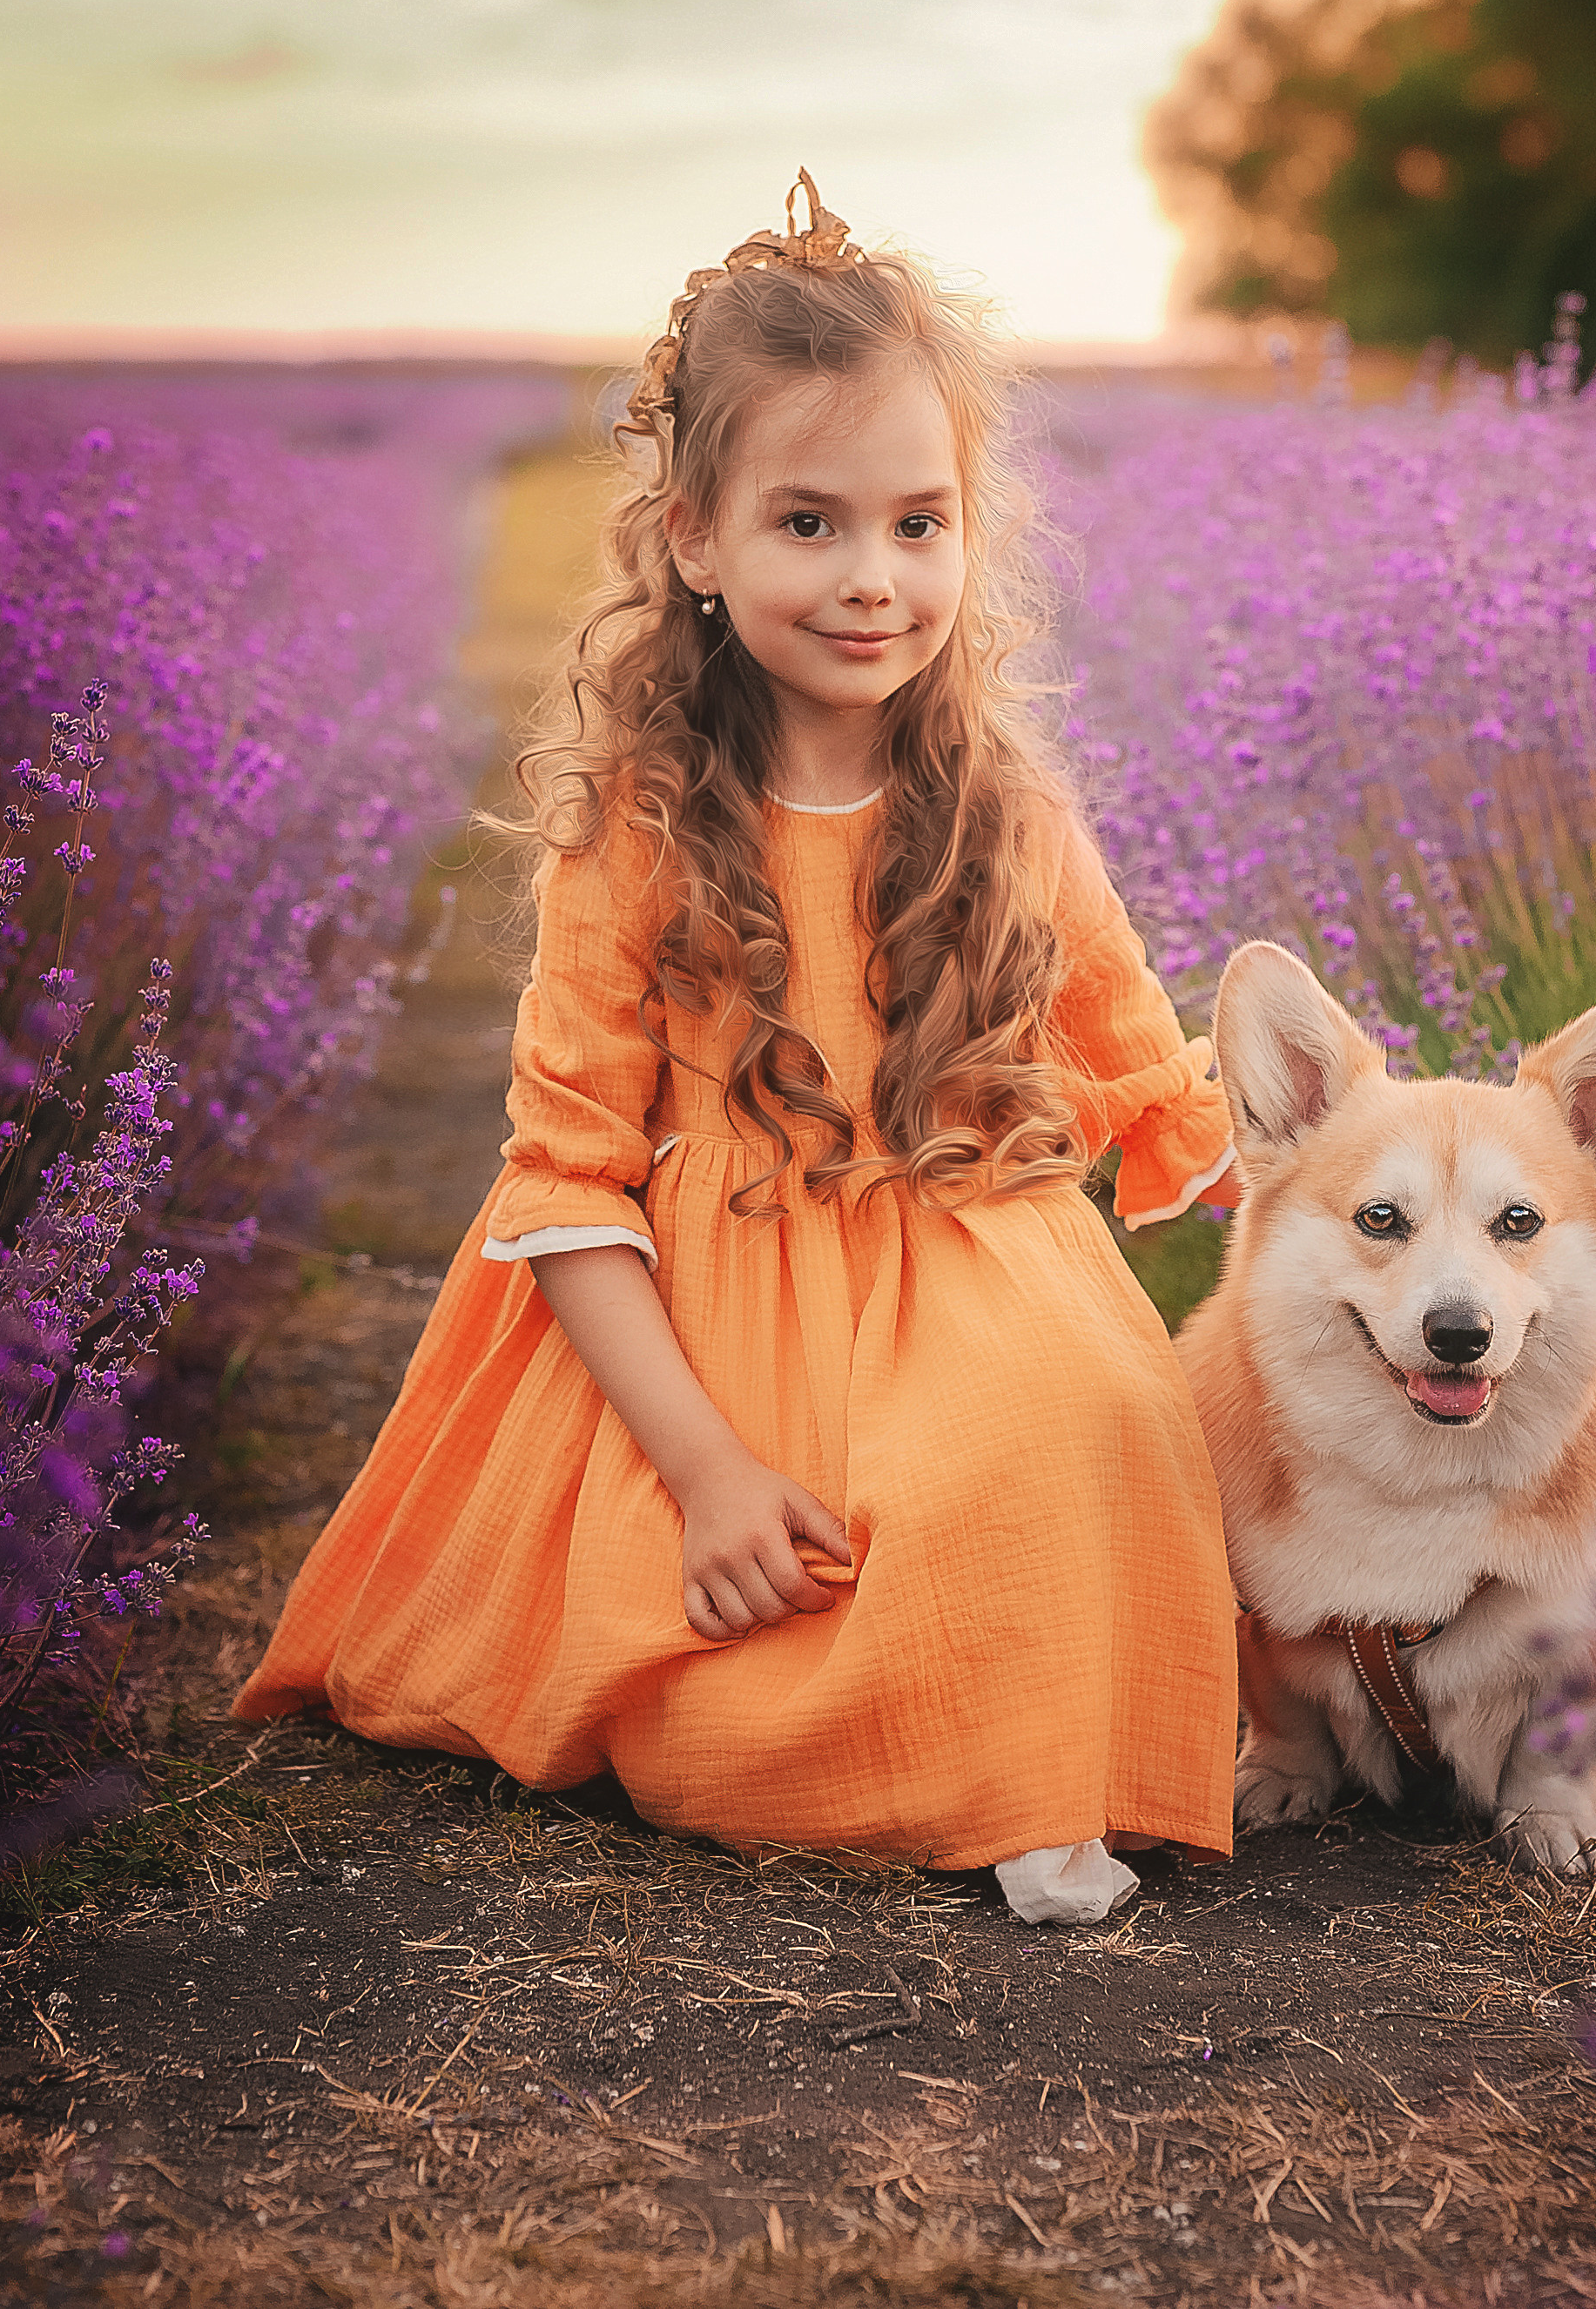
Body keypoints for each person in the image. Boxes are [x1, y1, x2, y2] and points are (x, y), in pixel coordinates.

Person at [235, 175, 1239, 1923]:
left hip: (968, 1264)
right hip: (701, 1326)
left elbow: (1145, 1064)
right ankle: (960, 1756)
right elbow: (566, 1180)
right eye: (810, 525)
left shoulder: (1007, 810)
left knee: (1083, 1419)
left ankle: (1032, 1742)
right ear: (694, 535)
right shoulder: (638, 824)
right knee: (779, 1585)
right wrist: (699, 1469)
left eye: (921, 525)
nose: (875, 580)